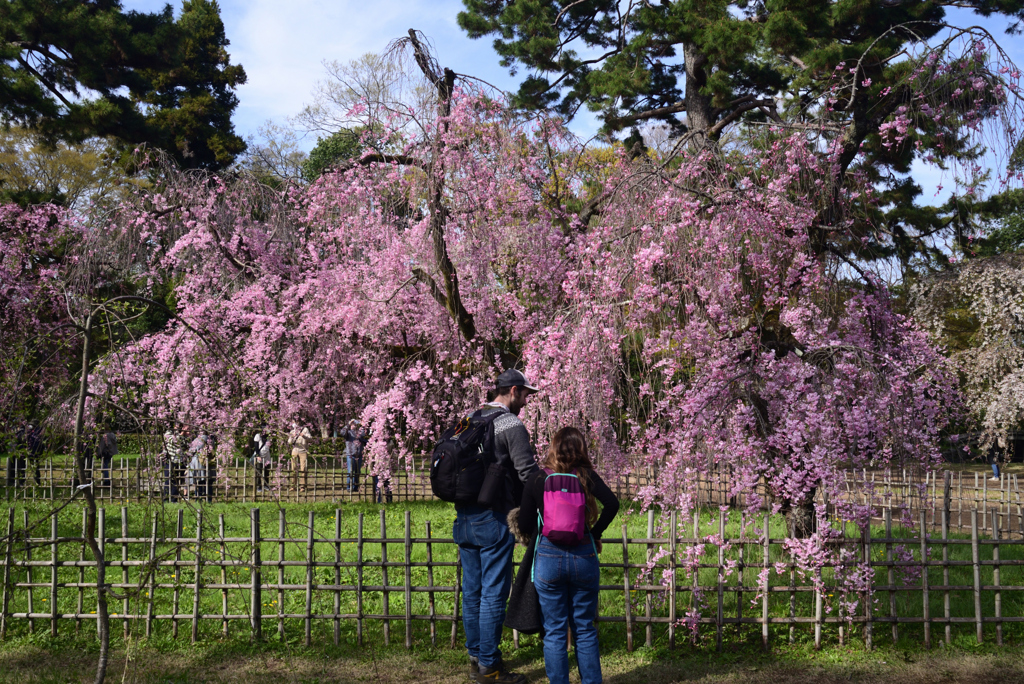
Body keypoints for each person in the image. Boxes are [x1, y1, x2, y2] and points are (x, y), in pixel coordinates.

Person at [454, 368, 540, 684]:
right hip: (494, 518)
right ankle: (489, 668)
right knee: (493, 593)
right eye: (526, 395)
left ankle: (476, 656)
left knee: (472, 591)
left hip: (464, 516)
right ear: (514, 390)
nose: (527, 401)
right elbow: (528, 472)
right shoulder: (511, 424)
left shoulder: (469, 419)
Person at [517, 426, 619, 684]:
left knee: (554, 631)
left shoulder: (538, 479)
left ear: (553, 447)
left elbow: (526, 524)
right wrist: (594, 533)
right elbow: (613, 504)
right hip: (583, 555)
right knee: (584, 628)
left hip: (549, 559)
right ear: (581, 450)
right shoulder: (586, 475)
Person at [287, 422, 312, 492]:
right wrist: (292, 436)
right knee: (293, 468)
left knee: (303, 469)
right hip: (295, 450)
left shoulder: (305, 429)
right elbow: (289, 442)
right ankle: (293, 485)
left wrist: (303, 435)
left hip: (303, 451)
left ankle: (302, 486)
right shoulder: (292, 431)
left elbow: (310, 439)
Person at [344, 419, 367, 492]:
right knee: (350, 471)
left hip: (359, 455)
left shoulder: (359, 433)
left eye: (355, 424)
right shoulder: (348, 433)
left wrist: (363, 425)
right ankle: (349, 487)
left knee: (357, 472)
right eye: (353, 424)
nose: (354, 426)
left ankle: (356, 487)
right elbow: (342, 433)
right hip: (350, 454)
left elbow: (364, 434)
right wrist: (348, 424)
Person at [163, 423, 184, 502]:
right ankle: (166, 498)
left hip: (179, 460)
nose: (178, 428)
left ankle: (173, 499)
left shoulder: (181, 436)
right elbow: (175, 441)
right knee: (169, 480)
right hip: (170, 460)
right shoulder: (169, 434)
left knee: (177, 481)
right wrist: (181, 434)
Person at [97, 424, 117, 492]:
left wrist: (99, 453)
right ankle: (106, 479)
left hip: (105, 453)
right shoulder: (112, 435)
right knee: (105, 466)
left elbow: (102, 446)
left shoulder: (105, 436)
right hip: (110, 453)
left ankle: (106, 480)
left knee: (105, 466)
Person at [253, 427, 272, 492]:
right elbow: (256, 446)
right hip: (259, 455)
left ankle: (266, 485)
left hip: (267, 455)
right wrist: (257, 455)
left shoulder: (268, 437)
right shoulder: (258, 436)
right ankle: (259, 486)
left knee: (267, 471)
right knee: (259, 471)